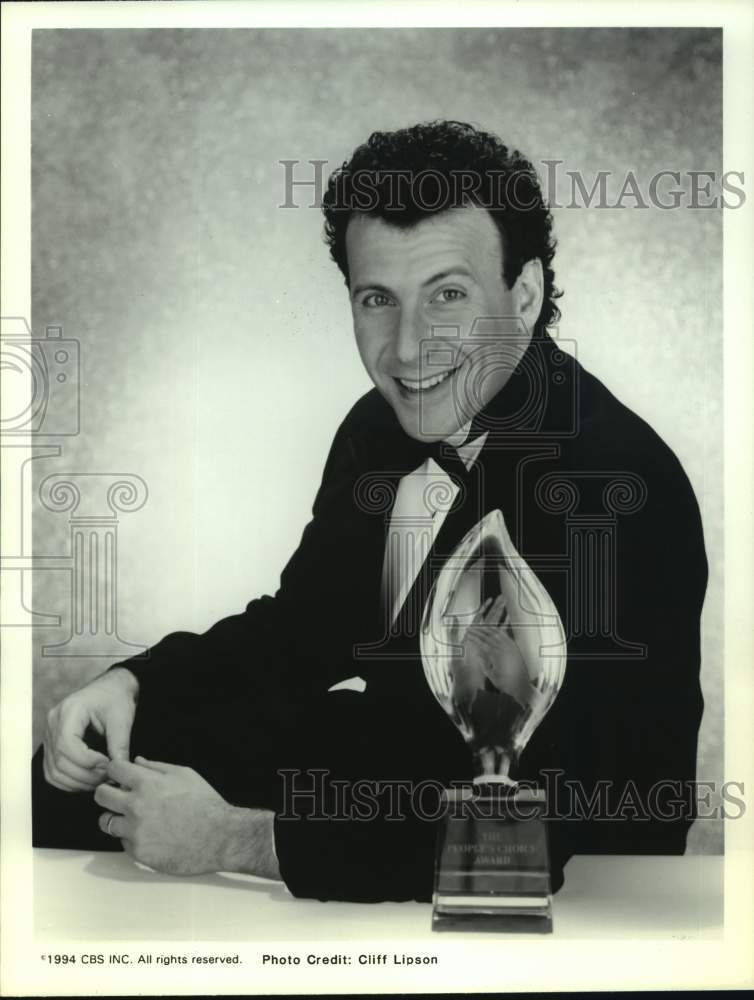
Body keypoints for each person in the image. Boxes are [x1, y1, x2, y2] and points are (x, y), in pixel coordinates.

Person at [32, 121, 708, 902]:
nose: (409, 349)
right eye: (378, 299)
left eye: (448, 295)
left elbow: (544, 825)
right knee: (81, 772)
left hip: (570, 877)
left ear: (524, 296)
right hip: (397, 776)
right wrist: (137, 684)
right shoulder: (379, 429)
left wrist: (235, 839)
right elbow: (300, 635)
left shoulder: (615, 484)